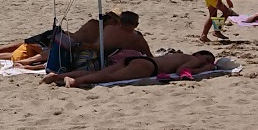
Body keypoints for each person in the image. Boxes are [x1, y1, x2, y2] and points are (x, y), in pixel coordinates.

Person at [43, 50, 216, 88]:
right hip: (148, 66)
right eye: (206, 59)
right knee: (111, 78)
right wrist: (203, 69)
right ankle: (74, 81)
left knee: (98, 73)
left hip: (139, 59)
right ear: (202, 56)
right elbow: (182, 71)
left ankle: (58, 76)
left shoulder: (181, 54)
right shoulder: (194, 59)